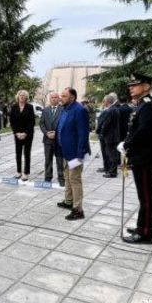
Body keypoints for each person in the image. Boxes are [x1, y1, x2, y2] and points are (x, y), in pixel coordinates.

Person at [120, 73, 152, 244]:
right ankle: (142, 225)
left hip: (145, 157)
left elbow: (144, 131)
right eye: (130, 85)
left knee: (146, 195)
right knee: (144, 195)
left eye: (135, 85)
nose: (130, 88)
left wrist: (127, 144)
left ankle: (145, 232)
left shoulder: (149, 105)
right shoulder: (141, 105)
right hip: (141, 156)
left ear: (146, 87)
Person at [56, 87, 90, 220]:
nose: (61, 98)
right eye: (61, 95)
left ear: (72, 98)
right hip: (65, 150)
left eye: (64, 96)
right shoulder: (65, 109)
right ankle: (68, 201)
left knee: (75, 179)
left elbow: (83, 134)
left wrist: (80, 154)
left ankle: (78, 210)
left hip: (75, 153)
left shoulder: (79, 110)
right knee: (67, 177)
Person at [9, 89, 35, 180]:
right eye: (20, 95)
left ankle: (26, 173)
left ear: (26, 97)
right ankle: (18, 171)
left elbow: (32, 122)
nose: (22, 96)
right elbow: (12, 121)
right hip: (17, 134)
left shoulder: (30, 107)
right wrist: (16, 133)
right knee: (18, 153)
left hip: (28, 134)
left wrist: (25, 133)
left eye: (24, 95)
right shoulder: (14, 107)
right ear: (18, 96)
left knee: (27, 153)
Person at [40, 92, 65, 186]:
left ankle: (61, 178)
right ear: (49, 99)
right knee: (48, 159)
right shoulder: (45, 110)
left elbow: (64, 123)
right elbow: (41, 123)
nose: (54, 99)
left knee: (60, 160)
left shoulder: (63, 109)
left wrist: (56, 133)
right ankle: (48, 177)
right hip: (47, 139)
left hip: (59, 140)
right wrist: (46, 133)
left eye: (55, 97)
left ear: (58, 99)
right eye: (52, 97)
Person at [99, 94, 122, 178]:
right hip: (114, 136)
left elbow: (106, 124)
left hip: (110, 136)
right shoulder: (115, 109)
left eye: (104, 101)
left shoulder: (110, 111)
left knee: (111, 155)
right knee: (113, 154)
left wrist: (102, 133)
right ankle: (111, 170)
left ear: (107, 101)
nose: (104, 102)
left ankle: (112, 172)